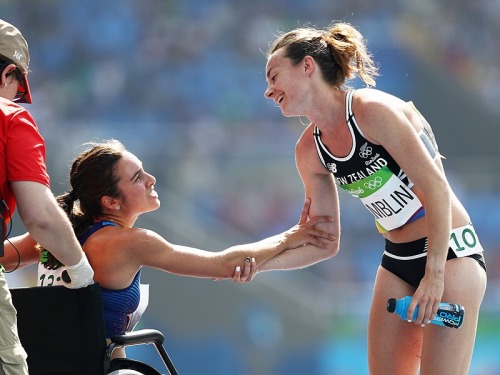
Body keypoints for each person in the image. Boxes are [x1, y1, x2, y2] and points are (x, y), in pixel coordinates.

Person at [260, 22, 487, 375]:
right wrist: (257, 264)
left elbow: (436, 187)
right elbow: (324, 242)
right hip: (397, 258)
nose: (268, 91)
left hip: (450, 254)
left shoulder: (371, 111)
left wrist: (435, 275)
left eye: (274, 77)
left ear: (307, 66)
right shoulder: (308, 151)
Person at [2, 139, 335, 358]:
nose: (151, 179)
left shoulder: (56, 235)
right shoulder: (133, 243)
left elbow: (4, 258)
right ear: (111, 201)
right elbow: (223, 265)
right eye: (136, 178)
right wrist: (292, 235)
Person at [0, 19, 94, 374]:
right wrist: (80, 269)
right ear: (9, 72)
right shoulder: (10, 117)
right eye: (16, 87)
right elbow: (39, 216)